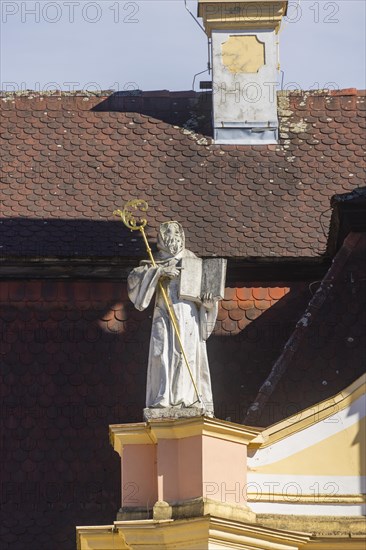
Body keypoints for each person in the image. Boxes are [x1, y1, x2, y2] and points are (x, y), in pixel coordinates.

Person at [127, 221, 218, 415]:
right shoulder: (155, 260)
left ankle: (188, 397)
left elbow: (208, 296)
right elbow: (134, 280)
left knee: (188, 356)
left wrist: (208, 307)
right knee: (163, 352)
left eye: (176, 232)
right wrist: (159, 272)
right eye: (167, 232)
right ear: (160, 238)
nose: (172, 236)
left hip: (189, 315)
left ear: (182, 236)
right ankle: (164, 396)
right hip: (164, 313)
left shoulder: (193, 260)